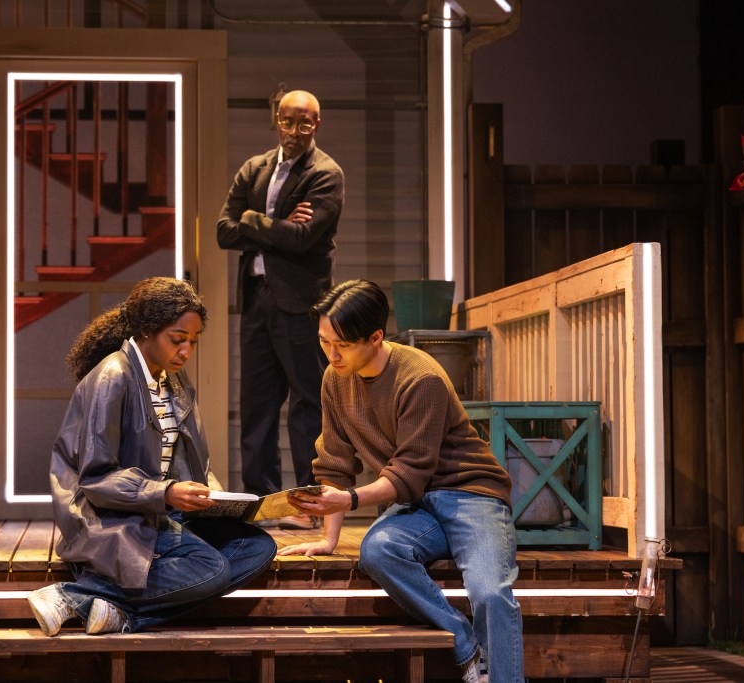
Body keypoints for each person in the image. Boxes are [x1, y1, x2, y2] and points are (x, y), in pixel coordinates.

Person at [279, 279, 525, 683]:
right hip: (416, 504)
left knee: (490, 591)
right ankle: (465, 645)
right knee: (377, 552)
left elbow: (410, 470)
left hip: (470, 495)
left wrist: (349, 500)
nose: (332, 354)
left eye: (342, 345)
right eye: (324, 342)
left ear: (375, 337)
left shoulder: (420, 377)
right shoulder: (335, 380)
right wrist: (328, 539)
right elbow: (335, 462)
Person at [27, 277, 278, 637]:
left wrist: (217, 500)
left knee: (256, 547)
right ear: (147, 330)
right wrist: (166, 492)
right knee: (212, 570)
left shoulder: (174, 380)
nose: (186, 351)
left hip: (160, 511)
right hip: (113, 516)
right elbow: (96, 478)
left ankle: (119, 613)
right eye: (178, 339)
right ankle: (74, 594)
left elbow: (187, 461)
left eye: (193, 341)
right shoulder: (113, 377)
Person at [216, 89, 345, 528]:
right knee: (256, 406)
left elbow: (302, 238)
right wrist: (277, 224)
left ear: (317, 124)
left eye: (304, 122)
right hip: (256, 299)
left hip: (301, 302)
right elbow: (222, 231)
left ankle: (308, 509)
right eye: (287, 121)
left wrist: (252, 220)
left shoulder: (325, 173)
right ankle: (262, 505)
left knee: (307, 405)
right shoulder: (254, 168)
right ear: (276, 119)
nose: (294, 131)